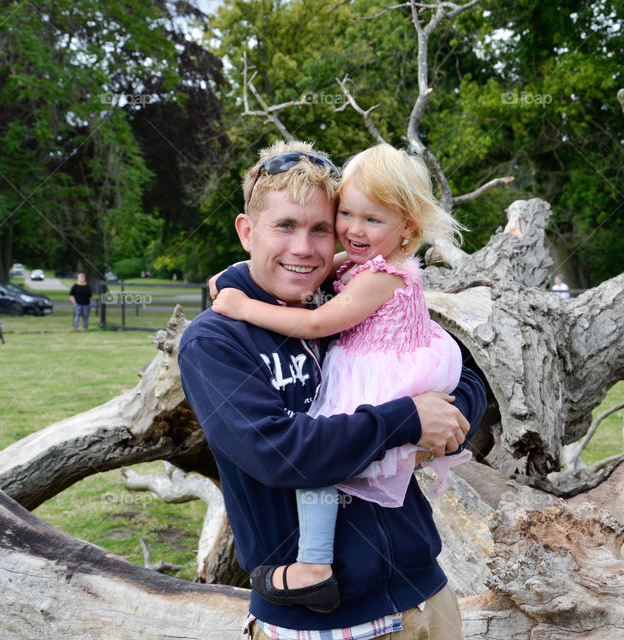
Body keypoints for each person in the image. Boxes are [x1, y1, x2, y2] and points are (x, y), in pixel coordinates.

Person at [178, 140, 486, 638]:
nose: (305, 247)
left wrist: (443, 427)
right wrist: (407, 421)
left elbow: (463, 376)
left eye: (321, 228)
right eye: (285, 226)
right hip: (320, 621)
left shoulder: (347, 295)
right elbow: (282, 453)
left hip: (424, 597)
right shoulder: (215, 341)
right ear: (246, 231)